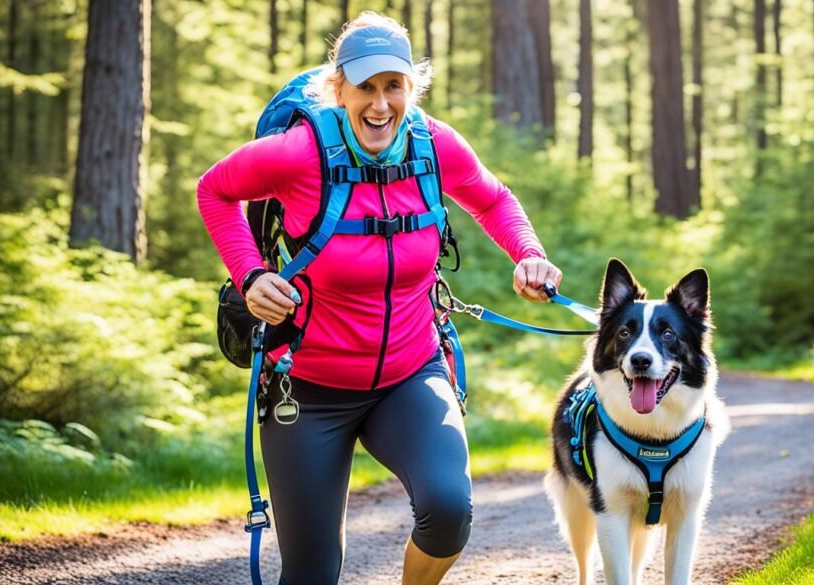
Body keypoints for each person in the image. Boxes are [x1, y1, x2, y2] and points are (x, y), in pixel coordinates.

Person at [197, 11, 562, 585]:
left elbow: (494, 200)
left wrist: (527, 252)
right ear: (337, 86)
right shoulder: (298, 153)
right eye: (365, 86)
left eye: (394, 85)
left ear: (412, 87)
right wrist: (249, 274)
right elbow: (215, 190)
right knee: (312, 574)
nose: (380, 103)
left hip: (409, 374)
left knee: (448, 512)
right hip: (307, 388)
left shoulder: (435, 145)